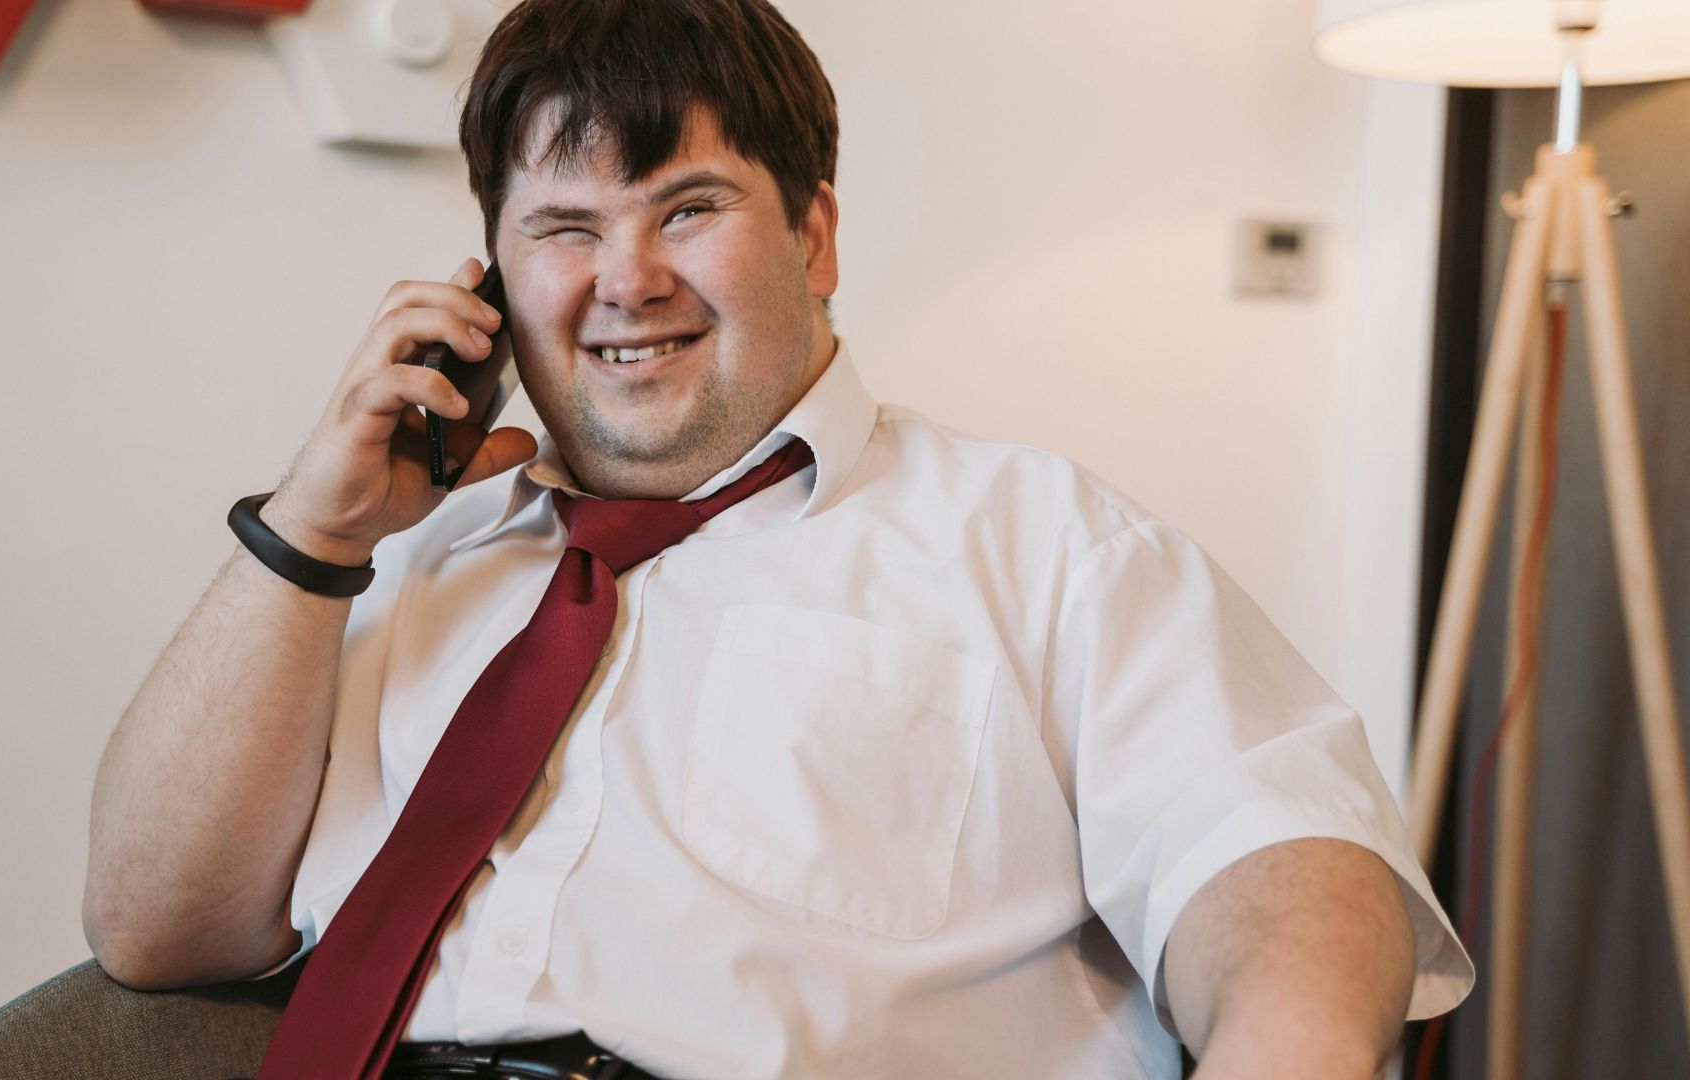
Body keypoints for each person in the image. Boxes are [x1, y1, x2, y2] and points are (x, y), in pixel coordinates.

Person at [83, 0, 1474, 1076]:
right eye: (564, 228)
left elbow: (1284, 864)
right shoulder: (400, 565)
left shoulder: (1043, 545)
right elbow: (155, 927)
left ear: (812, 235)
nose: (625, 279)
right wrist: (311, 535)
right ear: (490, 282)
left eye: (686, 208)